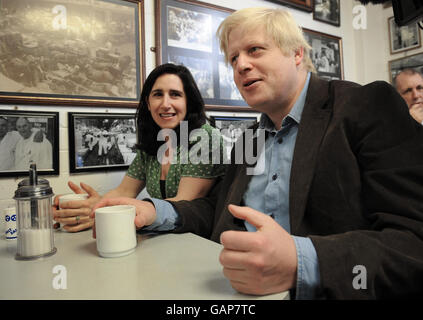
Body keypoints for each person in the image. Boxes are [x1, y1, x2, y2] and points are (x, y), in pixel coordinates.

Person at [92, 8, 423, 299]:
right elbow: (218, 210)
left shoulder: (365, 107)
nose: (241, 66)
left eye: (254, 50)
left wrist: (302, 261)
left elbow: (411, 242)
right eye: (234, 58)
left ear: (296, 53)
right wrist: (155, 212)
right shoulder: (250, 137)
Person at [53, 63, 226, 232]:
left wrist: (103, 213)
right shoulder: (152, 144)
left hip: (198, 240)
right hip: (163, 238)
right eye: (158, 94)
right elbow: (125, 190)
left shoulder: (206, 138)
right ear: (148, 102)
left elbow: (182, 204)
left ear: (189, 101)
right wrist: (91, 206)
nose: (165, 104)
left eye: (175, 94)